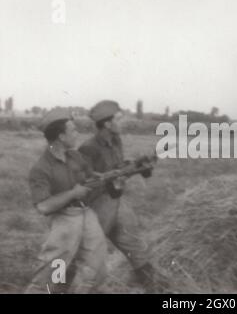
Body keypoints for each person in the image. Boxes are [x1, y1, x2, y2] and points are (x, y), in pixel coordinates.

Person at [78, 100, 166, 293]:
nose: (123, 121)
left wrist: (138, 165)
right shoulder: (88, 148)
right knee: (89, 252)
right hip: (96, 206)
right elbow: (81, 182)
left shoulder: (116, 140)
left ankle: (153, 284)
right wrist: (111, 179)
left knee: (133, 240)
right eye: (118, 118)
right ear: (107, 124)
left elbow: (117, 168)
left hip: (115, 200)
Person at [25, 108, 107, 293]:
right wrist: (72, 193)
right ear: (61, 136)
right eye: (73, 131)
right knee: (54, 270)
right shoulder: (41, 168)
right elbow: (43, 206)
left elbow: (91, 176)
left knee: (97, 267)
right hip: (64, 219)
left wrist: (111, 177)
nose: (77, 134)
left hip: (86, 214)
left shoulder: (75, 156)